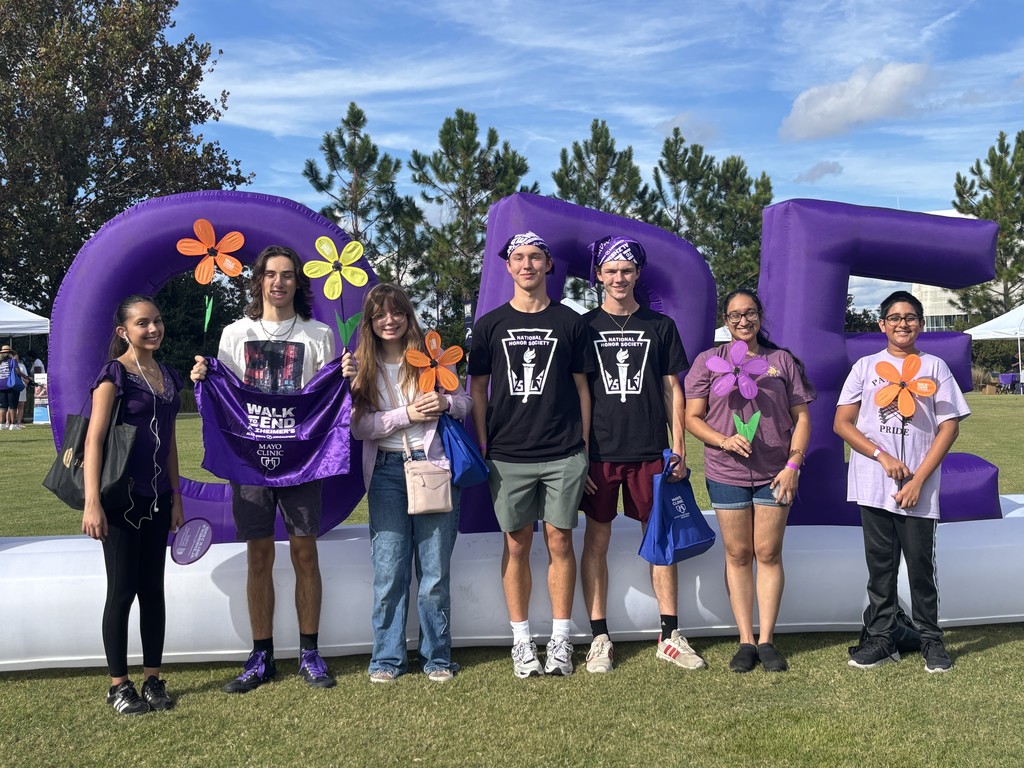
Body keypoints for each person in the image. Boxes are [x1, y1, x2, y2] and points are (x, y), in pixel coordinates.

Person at [190, 245, 339, 692]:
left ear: (298, 282)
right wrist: (204, 376)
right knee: (259, 555)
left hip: (301, 462)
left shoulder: (320, 334)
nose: (279, 282)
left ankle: (310, 653)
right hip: (250, 464)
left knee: (305, 553)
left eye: (287, 275)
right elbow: (229, 397)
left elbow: (325, 399)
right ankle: (262, 656)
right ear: (258, 281)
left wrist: (344, 374)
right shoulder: (235, 333)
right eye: (271, 274)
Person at [469, 232, 593, 678]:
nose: (527, 265)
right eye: (519, 258)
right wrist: (485, 442)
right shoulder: (489, 325)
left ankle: (560, 639)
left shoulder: (571, 322)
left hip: (563, 451)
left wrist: (584, 446)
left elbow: (583, 387)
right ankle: (522, 642)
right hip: (508, 453)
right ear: (507, 267)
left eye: (535, 257)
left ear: (548, 266)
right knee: (516, 543)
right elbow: (477, 389)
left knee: (560, 540)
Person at [579, 235, 705, 673]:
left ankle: (669, 634)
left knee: (661, 542)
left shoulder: (660, 326)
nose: (619, 277)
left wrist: (680, 446)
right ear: (599, 275)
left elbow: (675, 388)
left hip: (651, 450)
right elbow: (579, 393)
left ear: (637, 275)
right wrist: (581, 452)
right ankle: (599, 638)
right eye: (611, 270)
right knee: (596, 539)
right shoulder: (585, 327)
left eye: (627, 270)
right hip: (600, 452)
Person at [834, 290, 968, 673]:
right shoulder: (865, 366)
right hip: (873, 484)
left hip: (918, 489)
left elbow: (949, 427)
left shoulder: (935, 367)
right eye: (894, 317)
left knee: (921, 567)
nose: (902, 324)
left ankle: (931, 640)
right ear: (882, 325)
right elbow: (841, 423)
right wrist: (882, 456)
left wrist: (918, 480)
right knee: (880, 567)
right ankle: (881, 637)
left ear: (921, 324)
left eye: (910, 317)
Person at [684, 289, 813, 672]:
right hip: (726, 473)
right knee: (738, 555)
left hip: (777, 473)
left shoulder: (781, 361)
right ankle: (745, 640)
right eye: (735, 315)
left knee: (768, 553)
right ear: (725, 320)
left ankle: (768, 640)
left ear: (760, 316)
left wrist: (793, 466)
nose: (743, 321)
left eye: (751, 313)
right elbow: (693, 418)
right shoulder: (709, 361)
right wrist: (723, 439)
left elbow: (802, 418)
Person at [347, 284, 471, 683]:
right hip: (385, 472)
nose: (389, 320)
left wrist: (447, 403)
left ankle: (437, 658)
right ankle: (387, 659)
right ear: (369, 321)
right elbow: (360, 426)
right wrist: (408, 413)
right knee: (389, 571)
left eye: (397, 312)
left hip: (433, 469)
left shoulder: (431, 357)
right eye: (380, 314)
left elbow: (466, 402)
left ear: (407, 315)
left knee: (434, 571)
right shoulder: (360, 366)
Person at [81, 295, 185, 715]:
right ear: (124, 331)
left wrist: (176, 496)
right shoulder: (114, 375)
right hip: (120, 500)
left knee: (153, 591)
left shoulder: (169, 376)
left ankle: (153, 680)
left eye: (157, 321)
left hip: (159, 498)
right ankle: (119, 686)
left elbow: (172, 443)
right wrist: (92, 503)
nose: (153, 329)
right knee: (122, 590)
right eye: (143, 323)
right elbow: (94, 439)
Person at [0, 344, 25, 430]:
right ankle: (13, 425)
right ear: (10, 353)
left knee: (3, 406)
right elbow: (18, 372)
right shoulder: (12, 361)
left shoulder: (0, 362)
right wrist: (26, 377)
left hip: (1, 385)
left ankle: (1, 424)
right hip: (11, 385)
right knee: (13, 405)